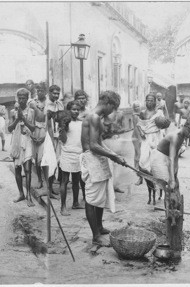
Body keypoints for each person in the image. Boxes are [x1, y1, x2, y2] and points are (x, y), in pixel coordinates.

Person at [81, 90, 126, 246]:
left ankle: (99, 227)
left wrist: (114, 154)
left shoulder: (97, 118)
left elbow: (100, 143)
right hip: (91, 158)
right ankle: (95, 236)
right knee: (92, 199)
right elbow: (93, 146)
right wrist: (113, 156)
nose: (112, 112)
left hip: (98, 158)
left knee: (100, 196)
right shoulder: (93, 117)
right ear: (108, 103)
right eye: (112, 108)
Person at [150, 116, 190, 191]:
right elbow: (171, 159)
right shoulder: (175, 137)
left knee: (174, 182)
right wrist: (172, 180)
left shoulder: (182, 136)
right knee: (167, 184)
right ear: (185, 126)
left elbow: (175, 156)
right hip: (158, 158)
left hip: (167, 157)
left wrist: (175, 172)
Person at [8, 88, 36, 206]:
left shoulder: (31, 111)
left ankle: (29, 195)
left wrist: (23, 118)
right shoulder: (13, 112)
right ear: (17, 98)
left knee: (28, 168)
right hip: (16, 140)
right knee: (18, 168)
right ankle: (21, 193)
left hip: (27, 140)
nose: (21, 100)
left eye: (24, 98)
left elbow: (33, 128)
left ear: (27, 98)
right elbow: (9, 129)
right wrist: (17, 119)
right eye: (19, 98)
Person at [58, 101, 85, 215]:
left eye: (77, 109)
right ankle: (63, 207)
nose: (76, 111)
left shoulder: (81, 123)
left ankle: (75, 203)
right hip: (67, 153)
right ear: (68, 110)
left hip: (78, 153)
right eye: (73, 109)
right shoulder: (65, 122)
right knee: (64, 181)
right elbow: (63, 140)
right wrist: (62, 128)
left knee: (76, 180)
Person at [137, 93, 164, 204]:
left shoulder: (159, 112)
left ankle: (160, 186)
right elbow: (138, 125)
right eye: (147, 100)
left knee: (156, 162)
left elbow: (164, 124)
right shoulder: (142, 113)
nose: (149, 102)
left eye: (151, 100)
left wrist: (161, 124)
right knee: (143, 161)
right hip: (146, 138)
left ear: (155, 102)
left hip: (156, 137)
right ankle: (141, 177)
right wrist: (141, 132)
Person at [43, 85, 64, 196]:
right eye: (54, 93)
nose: (56, 95)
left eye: (58, 93)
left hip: (58, 135)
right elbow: (47, 125)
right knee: (49, 161)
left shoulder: (59, 104)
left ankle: (51, 188)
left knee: (56, 161)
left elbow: (62, 119)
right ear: (49, 93)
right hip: (48, 136)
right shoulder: (46, 104)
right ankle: (48, 188)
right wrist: (50, 139)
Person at [29, 83, 47, 189]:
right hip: (35, 129)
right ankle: (40, 179)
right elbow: (30, 119)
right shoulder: (32, 102)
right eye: (38, 90)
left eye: (42, 90)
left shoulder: (48, 102)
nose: (40, 92)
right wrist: (31, 134)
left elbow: (47, 120)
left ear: (45, 91)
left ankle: (48, 180)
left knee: (46, 157)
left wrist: (45, 135)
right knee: (36, 157)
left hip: (45, 130)